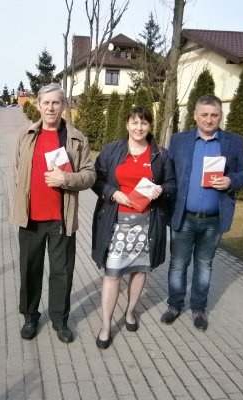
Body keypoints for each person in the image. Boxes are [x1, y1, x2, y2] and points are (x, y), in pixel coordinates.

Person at [10, 83, 96, 343]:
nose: (50, 108)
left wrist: (66, 179)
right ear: (38, 105)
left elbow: (90, 175)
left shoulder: (76, 138)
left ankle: (60, 320)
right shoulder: (26, 134)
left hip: (61, 219)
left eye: (56, 102)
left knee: (62, 272)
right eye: (46, 103)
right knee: (30, 270)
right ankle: (30, 317)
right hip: (30, 218)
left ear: (63, 105)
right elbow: (16, 170)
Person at [161, 94, 243, 331]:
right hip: (184, 216)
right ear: (195, 115)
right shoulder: (179, 140)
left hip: (214, 219)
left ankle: (199, 309)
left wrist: (231, 180)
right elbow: (168, 173)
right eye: (204, 114)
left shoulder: (234, 142)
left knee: (204, 265)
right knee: (178, 264)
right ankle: (174, 305)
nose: (209, 119)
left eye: (214, 115)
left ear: (220, 116)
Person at [91, 106, 176, 349]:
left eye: (144, 123)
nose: (139, 128)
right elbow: (96, 179)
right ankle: (106, 325)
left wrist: (161, 190)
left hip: (147, 224)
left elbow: (172, 183)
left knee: (139, 271)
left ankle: (130, 312)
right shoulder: (112, 150)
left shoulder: (160, 154)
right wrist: (113, 192)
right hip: (117, 223)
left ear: (150, 126)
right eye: (135, 122)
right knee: (112, 274)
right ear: (127, 125)